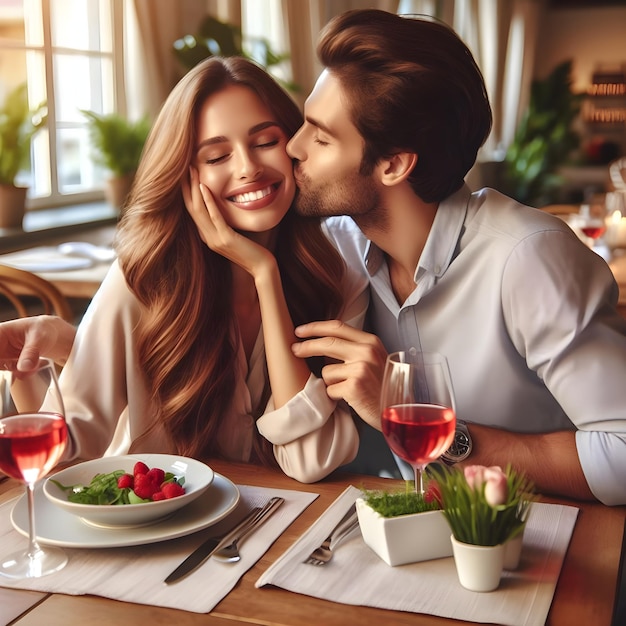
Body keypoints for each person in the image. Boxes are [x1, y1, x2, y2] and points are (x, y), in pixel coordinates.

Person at [285, 9, 626, 505]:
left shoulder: (526, 259)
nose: (294, 147)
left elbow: (621, 449)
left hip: (544, 553)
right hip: (417, 539)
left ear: (394, 164)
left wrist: (429, 425)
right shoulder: (341, 249)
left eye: (320, 137)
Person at [0, 56, 368, 483]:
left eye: (265, 141)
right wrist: (37, 369)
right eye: (216, 156)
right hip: (153, 535)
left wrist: (264, 275)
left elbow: (311, 461)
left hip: (277, 528)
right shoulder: (141, 279)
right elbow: (71, 444)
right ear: (185, 175)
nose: (247, 168)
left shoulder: (338, 277)